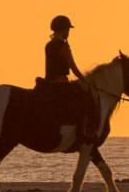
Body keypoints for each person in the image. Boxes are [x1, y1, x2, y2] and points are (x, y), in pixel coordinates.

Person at [40, 14, 96, 147]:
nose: (68, 32)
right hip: (61, 83)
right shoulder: (63, 46)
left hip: (49, 82)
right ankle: (85, 132)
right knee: (87, 98)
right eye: (68, 30)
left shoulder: (48, 45)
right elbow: (74, 68)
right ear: (63, 30)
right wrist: (86, 81)